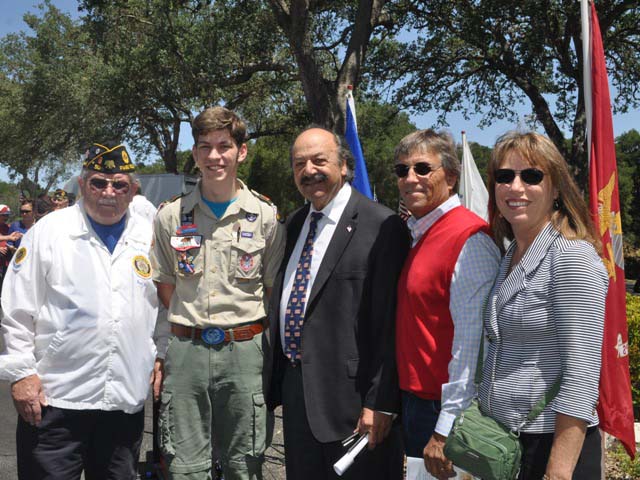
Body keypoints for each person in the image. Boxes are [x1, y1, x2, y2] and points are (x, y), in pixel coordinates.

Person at [0, 141, 161, 479]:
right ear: (81, 185)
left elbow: (161, 304)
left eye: (119, 184)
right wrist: (20, 374)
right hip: (56, 400)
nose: (108, 192)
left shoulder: (148, 236)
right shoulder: (48, 232)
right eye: (98, 182)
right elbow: (16, 309)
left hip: (123, 400)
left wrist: (158, 354)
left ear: (132, 191)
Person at [265, 127, 410, 480]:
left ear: (345, 166)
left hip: (356, 405)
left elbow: (391, 325)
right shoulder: (296, 223)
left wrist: (380, 402)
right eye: (299, 163)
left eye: (319, 160)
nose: (309, 170)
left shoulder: (382, 225)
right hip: (298, 396)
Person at [150, 106, 285, 480]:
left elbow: (269, 290)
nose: (214, 156)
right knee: (184, 466)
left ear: (241, 151)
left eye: (224, 146)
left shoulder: (266, 216)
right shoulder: (170, 217)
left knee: (246, 465)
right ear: (195, 154)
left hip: (244, 353)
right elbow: (165, 287)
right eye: (205, 147)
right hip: (187, 352)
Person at [478, 131, 608, 479]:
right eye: (504, 177)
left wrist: (557, 471)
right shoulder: (511, 255)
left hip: (552, 450)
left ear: (555, 189)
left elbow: (581, 378)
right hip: (507, 442)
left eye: (531, 176)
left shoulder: (571, 258)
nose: (515, 187)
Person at [392, 129, 500, 479]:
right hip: (414, 402)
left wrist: (445, 428)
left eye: (423, 168)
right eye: (402, 170)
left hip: (442, 412)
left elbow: (472, 347)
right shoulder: (419, 233)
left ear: (451, 178)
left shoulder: (469, 239)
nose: (410, 179)